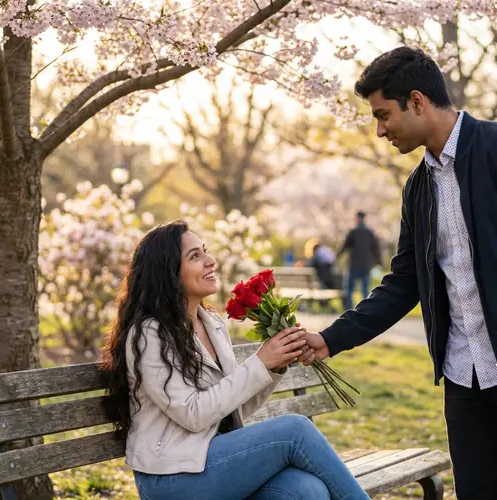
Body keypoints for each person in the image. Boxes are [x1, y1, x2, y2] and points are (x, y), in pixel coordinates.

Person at [298, 46, 497, 500]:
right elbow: (404, 282)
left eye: (383, 114)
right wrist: (331, 338)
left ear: (418, 101)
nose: (379, 129)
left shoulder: (494, 150)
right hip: (463, 377)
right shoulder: (418, 187)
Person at [102, 221, 369, 500]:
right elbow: (194, 414)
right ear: (168, 272)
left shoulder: (213, 324)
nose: (210, 261)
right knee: (295, 429)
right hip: (171, 477)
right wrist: (259, 363)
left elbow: (233, 410)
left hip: (216, 461)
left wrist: (274, 365)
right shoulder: (150, 334)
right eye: (195, 256)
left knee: (307, 489)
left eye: (205, 251)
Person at [338, 211, 381, 310]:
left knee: (349, 289)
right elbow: (375, 248)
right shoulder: (370, 233)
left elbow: (344, 246)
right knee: (365, 289)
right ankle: (364, 309)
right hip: (366, 265)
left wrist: (337, 256)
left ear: (356, 218)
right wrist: (378, 261)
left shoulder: (353, 232)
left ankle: (349, 309)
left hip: (353, 265)